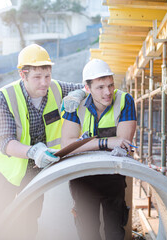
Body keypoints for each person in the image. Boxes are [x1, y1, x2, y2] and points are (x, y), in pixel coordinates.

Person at [0, 44, 86, 239]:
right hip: (7, 172)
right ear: (23, 75)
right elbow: (5, 142)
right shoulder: (5, 97)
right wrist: (33, 152)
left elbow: (88, 87)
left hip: (35, 173)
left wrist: (79, 93)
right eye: (37, 77)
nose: (44, 83)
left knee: (29, 224)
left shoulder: (56, 88)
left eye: (47, 76)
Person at [61, 59, 137, 240]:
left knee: (115, 233)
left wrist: (85, 143)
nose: (108, 92)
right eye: (100, 87)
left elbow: (123, 142)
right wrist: (106, 143)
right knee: (88, 234)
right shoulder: (75, 104)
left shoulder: (124, 101)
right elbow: (67, 146)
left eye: (110, 85)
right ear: (87, 89)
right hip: (83, 180)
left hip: (113, 178)